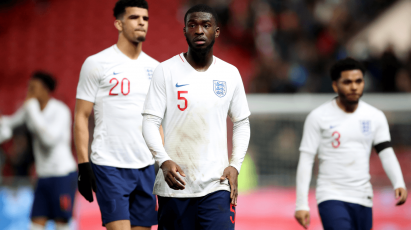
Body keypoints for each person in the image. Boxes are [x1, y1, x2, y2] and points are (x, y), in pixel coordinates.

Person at [142, 4, 251, 230]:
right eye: (192, 25)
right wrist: (162, 160)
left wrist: (235, 165)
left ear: (217, 31)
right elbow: (150, 122)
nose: (199, 30)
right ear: (184, 31)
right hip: (175, 186)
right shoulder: (165, 70)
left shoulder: (229, 73)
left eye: (206, 25)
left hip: (217, 186)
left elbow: (241, 122)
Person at [74, 0, 161, 229]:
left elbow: (157, 120)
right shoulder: (96, 64)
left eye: (145, 18)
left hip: (146, 167)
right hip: (109, 165)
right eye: (134, 17)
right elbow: (81, 116)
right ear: (118, 24)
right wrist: (83, 165)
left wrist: (162, 161)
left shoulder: (157, 69)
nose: (142, 22)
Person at [294, 58, 408, 230]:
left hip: (363, 197)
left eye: (358, 81)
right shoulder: (318, 117)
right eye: (347, 82)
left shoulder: (374, 116)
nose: (354, 87)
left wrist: (398, 182)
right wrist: (301, 204)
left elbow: (386, 152)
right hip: (331, 196)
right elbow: (306, 160)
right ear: (335, 86)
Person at [0, 71, 77, 230]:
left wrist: (32, 111)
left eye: (33, 88)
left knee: (61, 223)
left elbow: (49, 140)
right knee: (35, 224)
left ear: (45, 90)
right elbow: (12, 122)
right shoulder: (30, 108)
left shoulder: (60, 111)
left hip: (62, 175)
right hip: (43, 176)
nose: (29, 92)